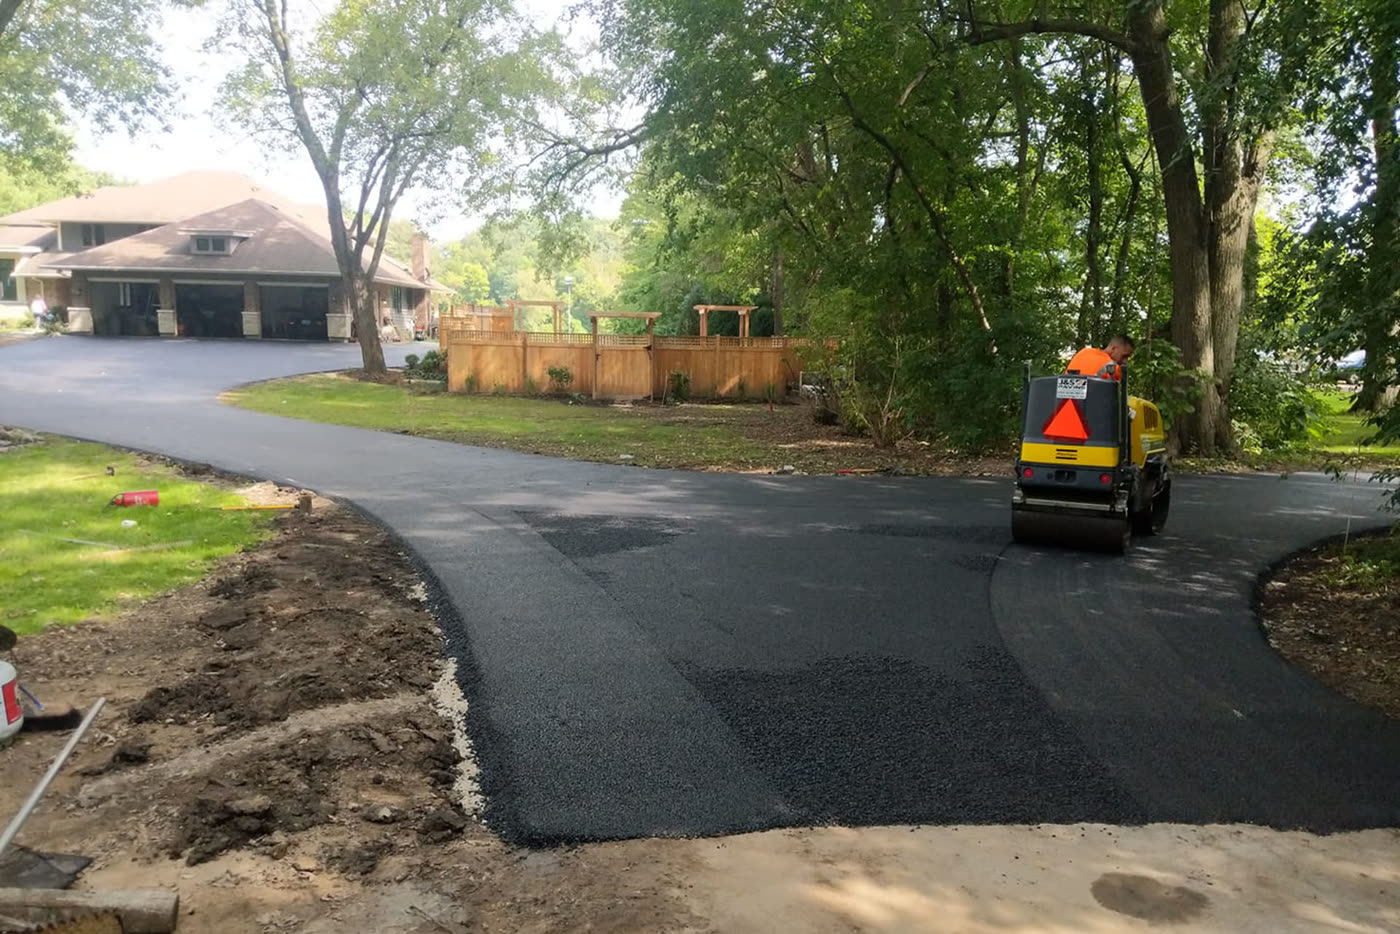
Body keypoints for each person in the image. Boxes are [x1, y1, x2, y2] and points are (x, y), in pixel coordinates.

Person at [1065, 335, 1135, 380]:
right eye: (1124, 356)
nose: (1125, 361)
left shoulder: (1084, 352)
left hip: (1062, 401)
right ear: (1113, 348)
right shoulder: (1113, 367)